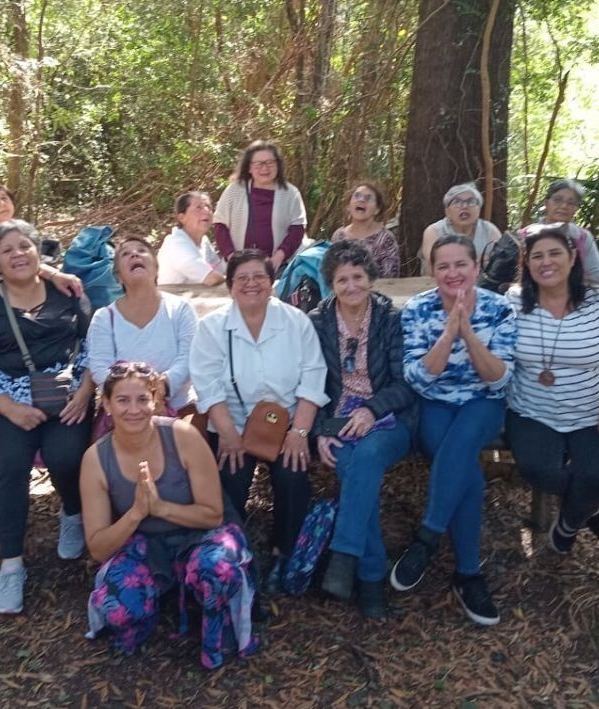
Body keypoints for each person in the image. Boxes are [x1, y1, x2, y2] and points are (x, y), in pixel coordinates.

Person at [81, 362, 257, 668]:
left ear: (157, 402)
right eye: (122, 400)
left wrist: (160, 507)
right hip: (146, 544)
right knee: (118, 610)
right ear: (107, 404)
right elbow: (98, 547)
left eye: (142, 399)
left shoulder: (183, 436)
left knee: (217, 571)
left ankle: (219, 625)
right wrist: (136, 513)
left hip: (202, 535)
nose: (133, 409)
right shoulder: (96, 459)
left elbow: (213, 515)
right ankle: (159, 604)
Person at [0, 219, 94, 613]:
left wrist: (85, 394)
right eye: (7, 250)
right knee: (12, 465)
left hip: (68, 396)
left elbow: (92, 347)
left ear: (40, 253)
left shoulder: (69, 293)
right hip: (8, 401)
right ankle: (12, 564)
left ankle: (72, 511)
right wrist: (9, 408)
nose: (18, 254)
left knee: (65, 456)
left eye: (25, 246)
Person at [391, 234, 517, 627]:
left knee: (462, 446)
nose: (452, 273)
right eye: (442, 266)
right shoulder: (417, 309)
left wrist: (469, 333)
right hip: (435, 404)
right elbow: (417, 380)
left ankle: (427, 538)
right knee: (468, 474)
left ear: (476, 266)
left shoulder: (499, 309)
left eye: (460, 264)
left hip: (484, 405)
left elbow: (499, 379)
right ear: (432, 272)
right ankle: (468, 574)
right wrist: (448, 333)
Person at [503, 226, 599, 554]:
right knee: (542, 473)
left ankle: (569, 524)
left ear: (573, 258)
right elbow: (497, 353)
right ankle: (589, 506)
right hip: (532, 410)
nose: (546, 262)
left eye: (555, 253)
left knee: (598, 477)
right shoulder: (514, 301)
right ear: (527, 265)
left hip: (593, 411)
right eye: (537, 256)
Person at [189, 249, 328, 593]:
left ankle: (285, 553)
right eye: (243, 278)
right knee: (230, 476)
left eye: (260, 277)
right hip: (232, 425)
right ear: (230, 286)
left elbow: (313, 379)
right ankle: (232, 555)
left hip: (287, 426)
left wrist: (299, 433)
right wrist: (227, 433)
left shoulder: (297, 322)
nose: (252, 284)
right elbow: (207, 387)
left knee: (293, 475)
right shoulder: (212, 327)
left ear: (272, 283)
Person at [308, 240, 416, 617]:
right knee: (355, 468)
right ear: (331, 284)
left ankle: (349, 559)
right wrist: (320, 429)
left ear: (370, 278)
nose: (351, 285)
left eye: (358, 276)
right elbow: (309, 384)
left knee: (366, 457)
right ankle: (369, 574)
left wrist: (372, 410)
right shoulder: (317, 322)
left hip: (388, 418)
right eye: (342, 279)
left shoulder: (390, 318)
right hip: (336, 420)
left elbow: (405, 384)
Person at [89, 237, 198, 413]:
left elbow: (189, 357)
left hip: (180, 408)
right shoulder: (104, 318)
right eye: (125, 254)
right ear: (118, 277)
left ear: (156, 268)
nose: (134, 254)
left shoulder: (181, 309)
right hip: (124, 413)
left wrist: (162, 387)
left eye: (141, 250)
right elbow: (99, 367)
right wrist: (137, 397)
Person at [213, 141, 307, 273]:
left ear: (278, 165)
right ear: (249, 167)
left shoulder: (291, 193)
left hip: (278, 268)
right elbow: (220, 226)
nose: (265, 168)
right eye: (258, 164)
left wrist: (278, 258)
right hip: (237, 268)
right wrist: (231, 257)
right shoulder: (234, 190)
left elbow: (297, 229)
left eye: (270, 163)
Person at [517, 179, 599, 288]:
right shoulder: (525, 235)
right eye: (557, 200)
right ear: (546, 203)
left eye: (571, 203)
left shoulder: (582, 237)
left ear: (576, 208)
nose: (564, 206)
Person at [420, 183, 503, 276]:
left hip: (483, 285)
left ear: (479, 209)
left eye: (471, 202)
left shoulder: (490, 230)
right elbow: (434, 267)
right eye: (457, 202)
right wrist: (480, 261)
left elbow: (501, 264)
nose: (464, 206)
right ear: (447, 211)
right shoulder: (434, 231)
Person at [329, 182, 400, 279]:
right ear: (348, 206)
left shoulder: (385, 239)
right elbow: (332, 274)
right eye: (357, 196)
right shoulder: (339, 236)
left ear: (377, 209)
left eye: (368, 198)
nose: (362, 200)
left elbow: (390, 278)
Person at [157, 191, 226, 286]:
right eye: (199, 207)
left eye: (208, 206)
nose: (206, 211)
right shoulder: (176, 244)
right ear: (182, 218)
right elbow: (211, 279)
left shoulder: (204, 240)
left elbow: (220, 269)